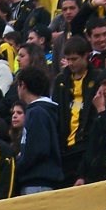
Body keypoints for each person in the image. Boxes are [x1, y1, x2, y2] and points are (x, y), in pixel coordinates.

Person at [52, 36, 99, 185]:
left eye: (74, 59)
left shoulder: (97, 77)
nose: (71, 63)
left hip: (86, 146)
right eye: (68, 59)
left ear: (86, 56)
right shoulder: (61, 80)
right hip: (65, 149)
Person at [16, 66, 63, 194]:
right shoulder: (39, 110)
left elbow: (37, 150)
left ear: (23, 85)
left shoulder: (37, 112)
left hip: (38, 182)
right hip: (36, 180)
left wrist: (16, 164)